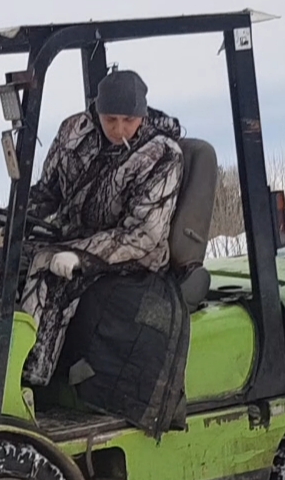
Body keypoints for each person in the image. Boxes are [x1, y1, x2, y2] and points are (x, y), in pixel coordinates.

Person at [17, 69, 186, 387]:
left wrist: (83, 257)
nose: (119, 129)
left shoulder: (161, 155)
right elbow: (48, 192)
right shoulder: (74, 133)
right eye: (111, 119)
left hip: (135, 253)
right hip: (75, 237)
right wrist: (17, 218)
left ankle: (28, 380)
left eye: (128, 120)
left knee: (51, 274)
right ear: (97, 110)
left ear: (142, 114)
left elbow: (144, 233)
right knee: (9, 262)